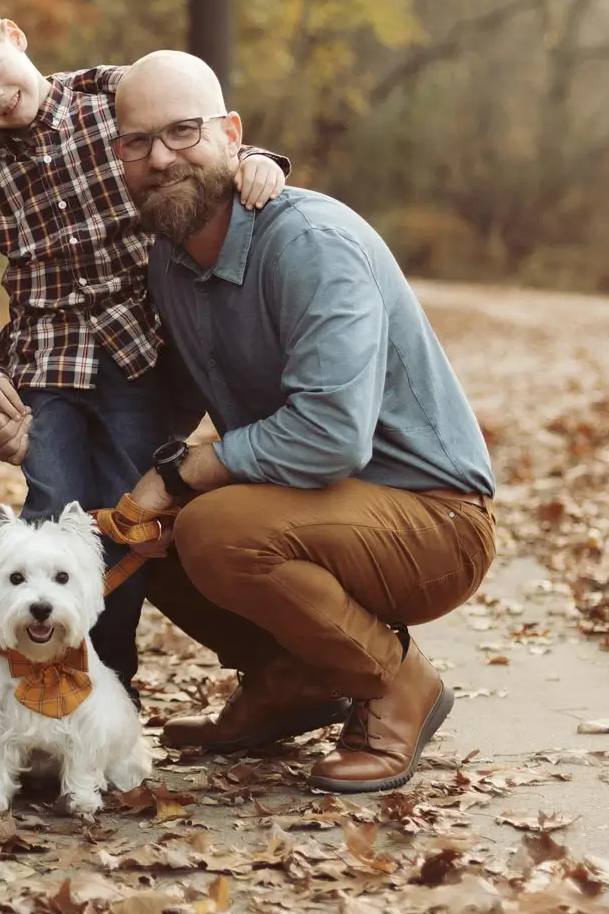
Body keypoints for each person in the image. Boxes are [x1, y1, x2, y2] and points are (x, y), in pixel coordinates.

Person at [110, 49, 496, 793]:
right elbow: (173, 404)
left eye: (183, 132)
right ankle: (291, 681)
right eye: (137, 141)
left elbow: (329, 435)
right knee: (139, 528)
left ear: (231, 133)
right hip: (320, 505)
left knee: (213, 528)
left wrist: (180, 474)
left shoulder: (308, 243)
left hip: (434, 520)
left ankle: (398, 686)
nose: (160, 158)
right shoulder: (171, 260)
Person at [0, 0, 290, 697]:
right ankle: (44, 681)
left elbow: (194, 134)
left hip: (140, 355)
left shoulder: (109, 93)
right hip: (44, 360)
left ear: (14, 36)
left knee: (119, 520)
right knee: (51, 516)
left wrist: (259, 159)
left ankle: (108, 681)